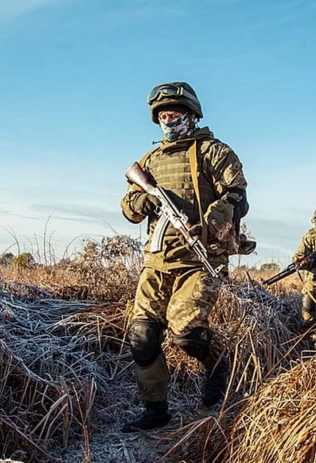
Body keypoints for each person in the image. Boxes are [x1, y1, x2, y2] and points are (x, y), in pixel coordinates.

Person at [119, 82, 250, 432]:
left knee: (186, 334)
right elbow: (129, 208)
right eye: (162, 115)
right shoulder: (150, 160)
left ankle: (218, 363)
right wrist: (145, 200)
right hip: (157, 260)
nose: (168, 120)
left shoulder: (213, 151)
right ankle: (156, 410)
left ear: (191, 115)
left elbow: (238, 195)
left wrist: (207, 226)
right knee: (142, 337)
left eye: (174, 114)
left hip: (201, 258)